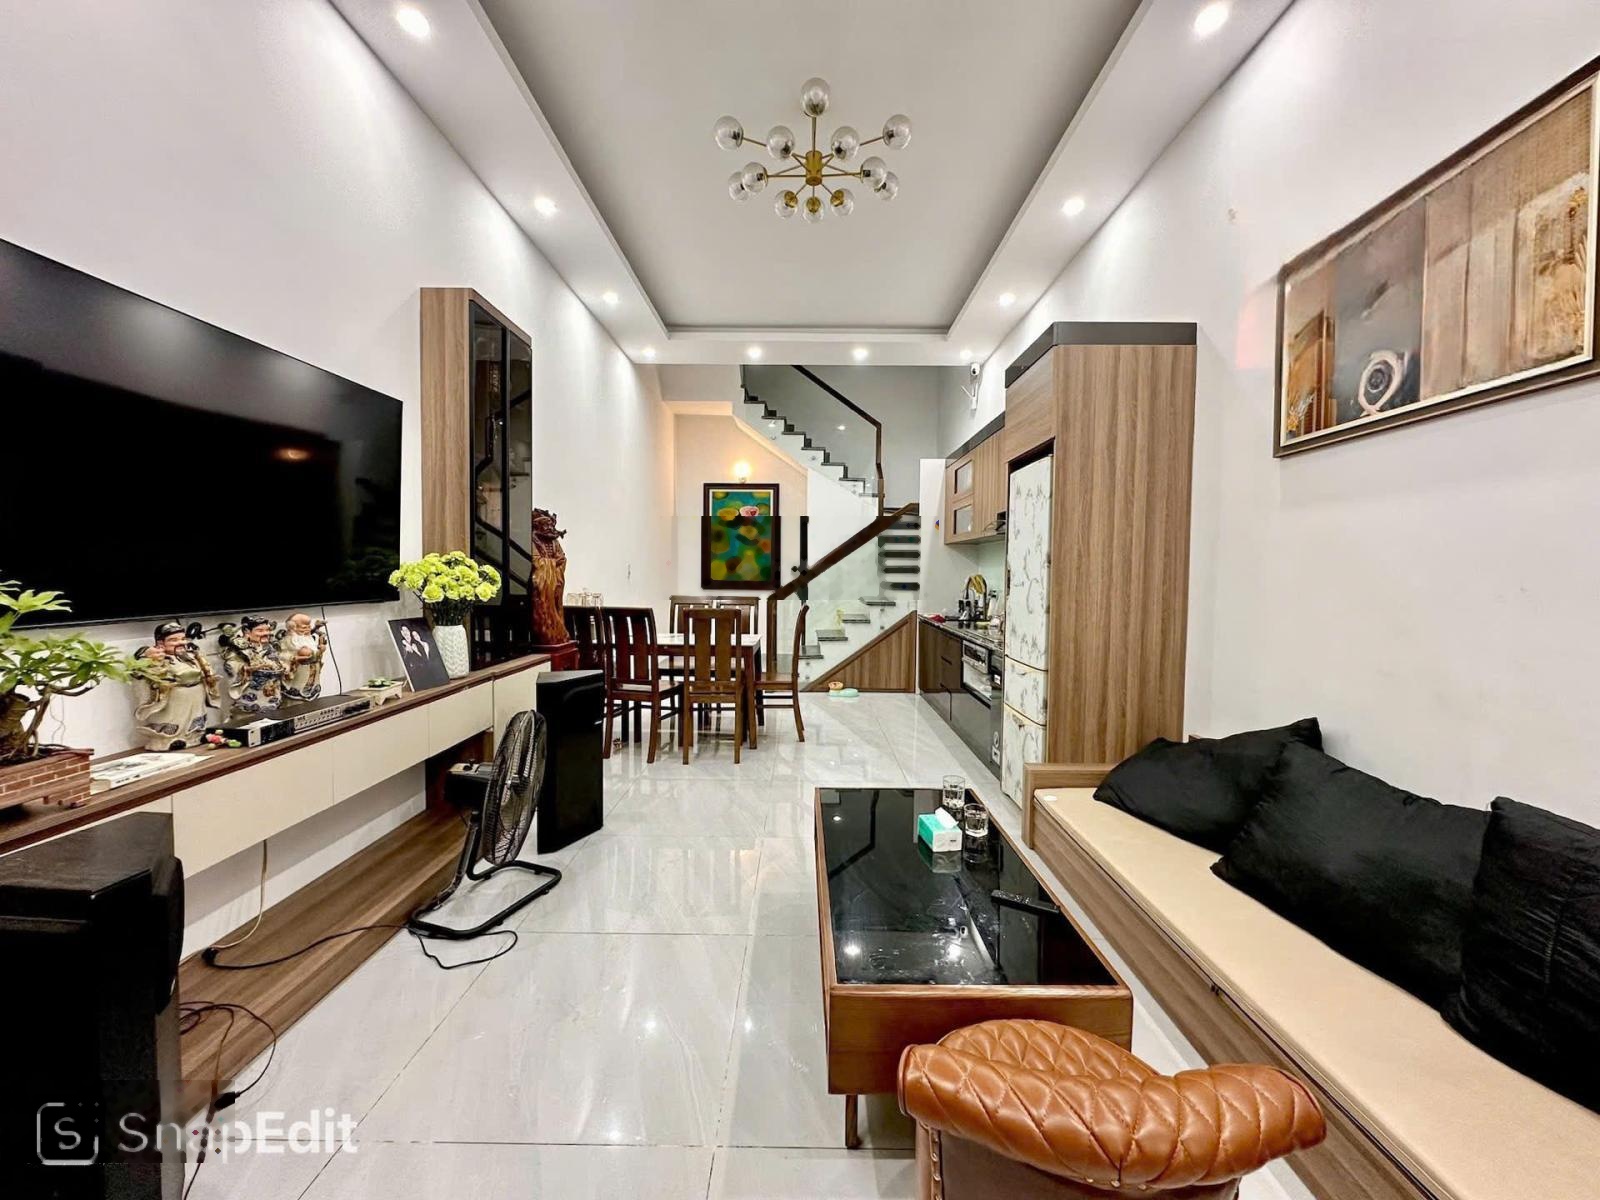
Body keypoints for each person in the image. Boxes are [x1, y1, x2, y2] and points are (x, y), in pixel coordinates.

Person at [132, 621, 220, 749]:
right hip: (174, 695)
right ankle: (170, 739)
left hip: (196, 692)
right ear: (161, 643)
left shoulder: (189, 656)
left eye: (183, 639)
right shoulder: (157, 659)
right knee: (175, 718)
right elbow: (138, 670)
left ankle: (193, 735)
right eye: (173, 640)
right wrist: (145, 656)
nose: (180, 643)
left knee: (196, 715)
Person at [221, 615, 289, 713]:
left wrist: (283, 666)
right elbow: (231, 665)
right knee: (252, 706)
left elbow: (276, 659)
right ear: (247, 631)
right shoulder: (240, 649)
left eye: (267, 630)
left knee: (272, 703)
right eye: (260, 631)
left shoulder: (269, 647)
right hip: (252, 688)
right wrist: (247, 668)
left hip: (272, 688)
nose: (266, 633)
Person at [277, 612, 329, 702]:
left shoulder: (308, 639)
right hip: (298, 677)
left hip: (313, 676)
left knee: (313, 702)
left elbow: (315, 655)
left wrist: (321, 650)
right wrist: (295, 659)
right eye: (304, 628)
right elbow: (282, 657)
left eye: (309, 627)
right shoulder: (288, 641)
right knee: (295, 704)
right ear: (292, 628)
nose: (308, 630)